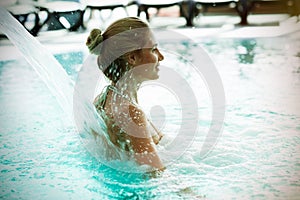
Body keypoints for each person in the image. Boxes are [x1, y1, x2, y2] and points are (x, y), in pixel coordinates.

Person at [86, 17, 165, 171]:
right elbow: (155, 173)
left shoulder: (102, 100)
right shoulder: (131, 113)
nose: (161, 57)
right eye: (153, 49)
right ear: (132, 58)